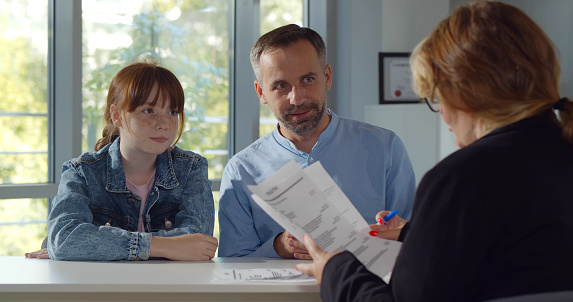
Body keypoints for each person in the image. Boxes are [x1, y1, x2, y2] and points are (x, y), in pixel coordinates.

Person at [296, 1, 573, 301]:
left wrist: (335, 270)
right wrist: (417, 234)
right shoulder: (560, 152)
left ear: (465, 91)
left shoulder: (459, 181)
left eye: (437, 97)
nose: (442, 114)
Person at [217, 24, 416, 259]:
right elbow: (232, 264)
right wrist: (279, 247)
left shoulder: (385, 148)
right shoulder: (241, 171)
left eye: (307, 80)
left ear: (327, 77)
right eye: (281, 86)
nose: (297, 98)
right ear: (261, 92)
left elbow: (417, 242)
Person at [26, 62, 218, 261]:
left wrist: (94, 246)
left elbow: (200, 244)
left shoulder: (191, 168)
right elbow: (65, 240)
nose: (163, 124)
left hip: (170, 288)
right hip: (100, 289)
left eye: (172, 112)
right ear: (117, 115)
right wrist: (162, 246)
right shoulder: (81, 172)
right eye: (149, 111)